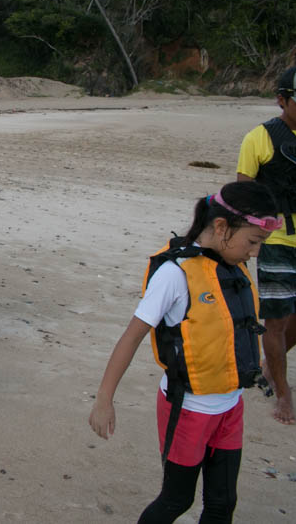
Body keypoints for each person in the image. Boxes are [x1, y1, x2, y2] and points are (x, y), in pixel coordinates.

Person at [88, 181, 278, 523]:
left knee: (222, 503)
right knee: (177, 499)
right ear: (221, 228)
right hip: (188, 408)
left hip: (230, 406)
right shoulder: (176, 275)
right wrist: (105, 398)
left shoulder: (233, 267)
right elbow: (131, 337)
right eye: (252, 242)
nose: (254, 253)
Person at [236, 64, 296, 425]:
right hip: (277, 239)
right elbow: (243, 194)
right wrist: (246, 246)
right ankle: (282, 390)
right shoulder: (259, 139)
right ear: (282, 100)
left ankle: (270, 366)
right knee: (276, 322)